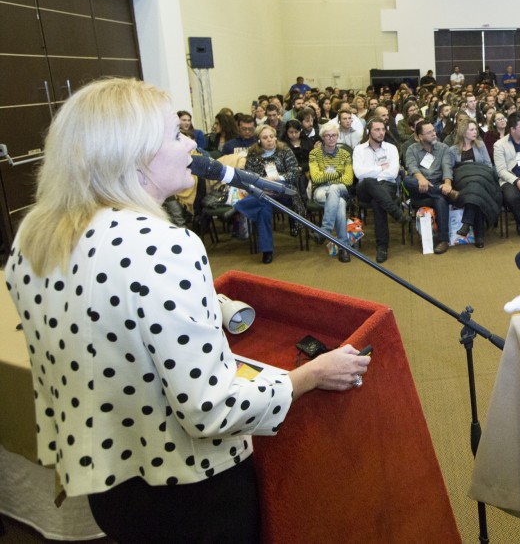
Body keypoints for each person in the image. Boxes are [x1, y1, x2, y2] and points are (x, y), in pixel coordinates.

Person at [5, 77, 369, 543]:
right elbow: (210, 409)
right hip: (190, 497)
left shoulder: (34, 237)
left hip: (111, 487)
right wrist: (312, 375)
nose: (190, 146)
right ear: (136, 156)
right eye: (175, 136)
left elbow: (103, 320)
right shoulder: (164, 244)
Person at [235, 124, 305, 264]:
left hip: (286, 192)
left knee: (269, 190)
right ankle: (267, 250)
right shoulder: (253, 154)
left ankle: (238, 208)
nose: (269, 140)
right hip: (264, 194)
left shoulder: (285, 150)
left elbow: (295, 172)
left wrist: (276, 179)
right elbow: (250, 176)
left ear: (276, 137)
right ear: (259, 140)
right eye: (265, 137)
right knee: (264, 208)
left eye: (272, 137)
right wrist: (262, 183)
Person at [353, 117, 408, 263]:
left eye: (383, 129)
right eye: (377, 129)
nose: (381, 133)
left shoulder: (391, 149)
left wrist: (370, 171)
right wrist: (379, 168)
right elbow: (359, 174)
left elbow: (392, 173)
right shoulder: (359, 149)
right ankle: (396, 212)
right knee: (370, 182)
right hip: (364, 188)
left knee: (378, 202)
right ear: (368, 131)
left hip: (387, 185)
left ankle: (382, 247)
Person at [403, 121, 455, 255]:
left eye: (433, 130)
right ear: (420, 136)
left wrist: (448, 184)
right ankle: (443, 193)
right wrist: (421, 179)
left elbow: (447, 167)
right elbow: (411, 166)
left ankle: (443, 240)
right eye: (429, 132)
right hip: (419, 190)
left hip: (438, 184)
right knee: (408, 180)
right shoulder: (412, 149)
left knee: (440, 199)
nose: (434, 134)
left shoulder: (443, 148)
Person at [310, 122, 354, 263]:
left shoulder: (345, 154)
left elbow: (348, 180)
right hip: (321, 189)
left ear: (338, 136)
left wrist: (328, 175)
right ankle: (344, 248)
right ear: (323, 137)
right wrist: (337, 173)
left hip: (341, 188)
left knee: (335, 188)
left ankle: (324, 231)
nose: (331, 138)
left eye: (334, 135)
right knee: (340, 203)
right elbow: (316, 177)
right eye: (327, 135)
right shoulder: (314, 154)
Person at [450, 119, 498, 248]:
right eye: (471, 129)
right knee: (476, 191)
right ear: (463, 132)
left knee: (476, 188)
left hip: (481, 178)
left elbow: (488, 165)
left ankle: (467, 224)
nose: (475, 132)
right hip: (463, 180)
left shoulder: (480, 145)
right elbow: (451, 170)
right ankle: (479, 235)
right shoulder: (453, 150)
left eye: (475, 129)